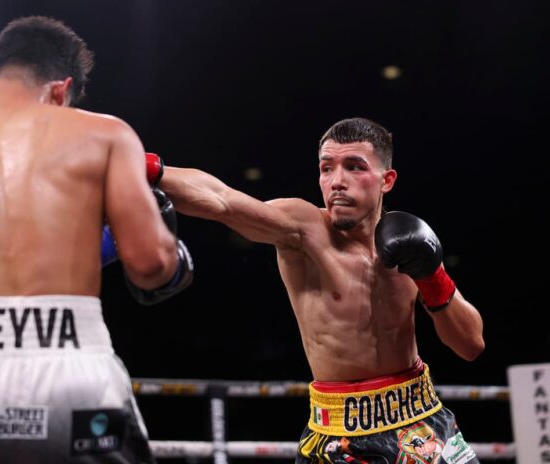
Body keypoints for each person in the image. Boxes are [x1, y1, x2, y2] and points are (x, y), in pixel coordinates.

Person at [0, 16, 192, 464]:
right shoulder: (104, 133)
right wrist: (169, 252)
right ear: (60, 91)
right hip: (75, 373)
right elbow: (150, 266)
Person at [153, 117, 483, 463]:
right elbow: (222, 199)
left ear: (387, 180)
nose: (336, 182)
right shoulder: (303, 230)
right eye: (327, 168)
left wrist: (432, 277)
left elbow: (471, 345)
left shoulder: (410, 240)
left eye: (354, 167)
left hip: (421, 417)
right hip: (340, 433)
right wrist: (143, 169)